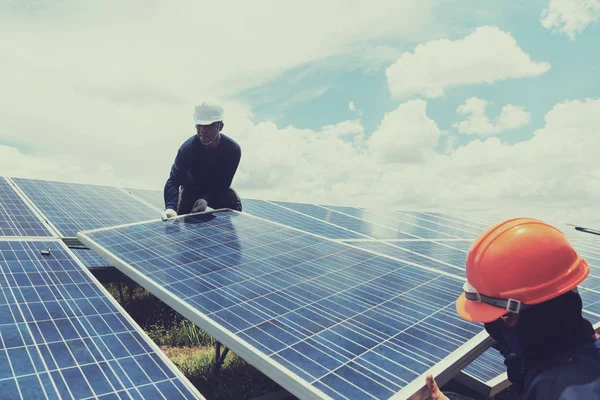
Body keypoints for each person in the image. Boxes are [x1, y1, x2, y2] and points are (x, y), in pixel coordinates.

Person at [426, 217, 600, 400]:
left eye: (505, 317)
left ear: (543, 316)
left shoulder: (560, 392)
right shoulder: (579, 347)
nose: (497, 327)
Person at [162, 98, 242, 220]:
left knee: (232, 201)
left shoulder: (232, 150)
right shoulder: (187, 150)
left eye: (208, 126)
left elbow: (223, 183)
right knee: (180, 217)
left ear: (220, 127)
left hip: (218, 190)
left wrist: (205, 199)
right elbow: (173, 180)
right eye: (199, 125)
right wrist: (170, 207)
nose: (202, 131)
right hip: (191, 189)